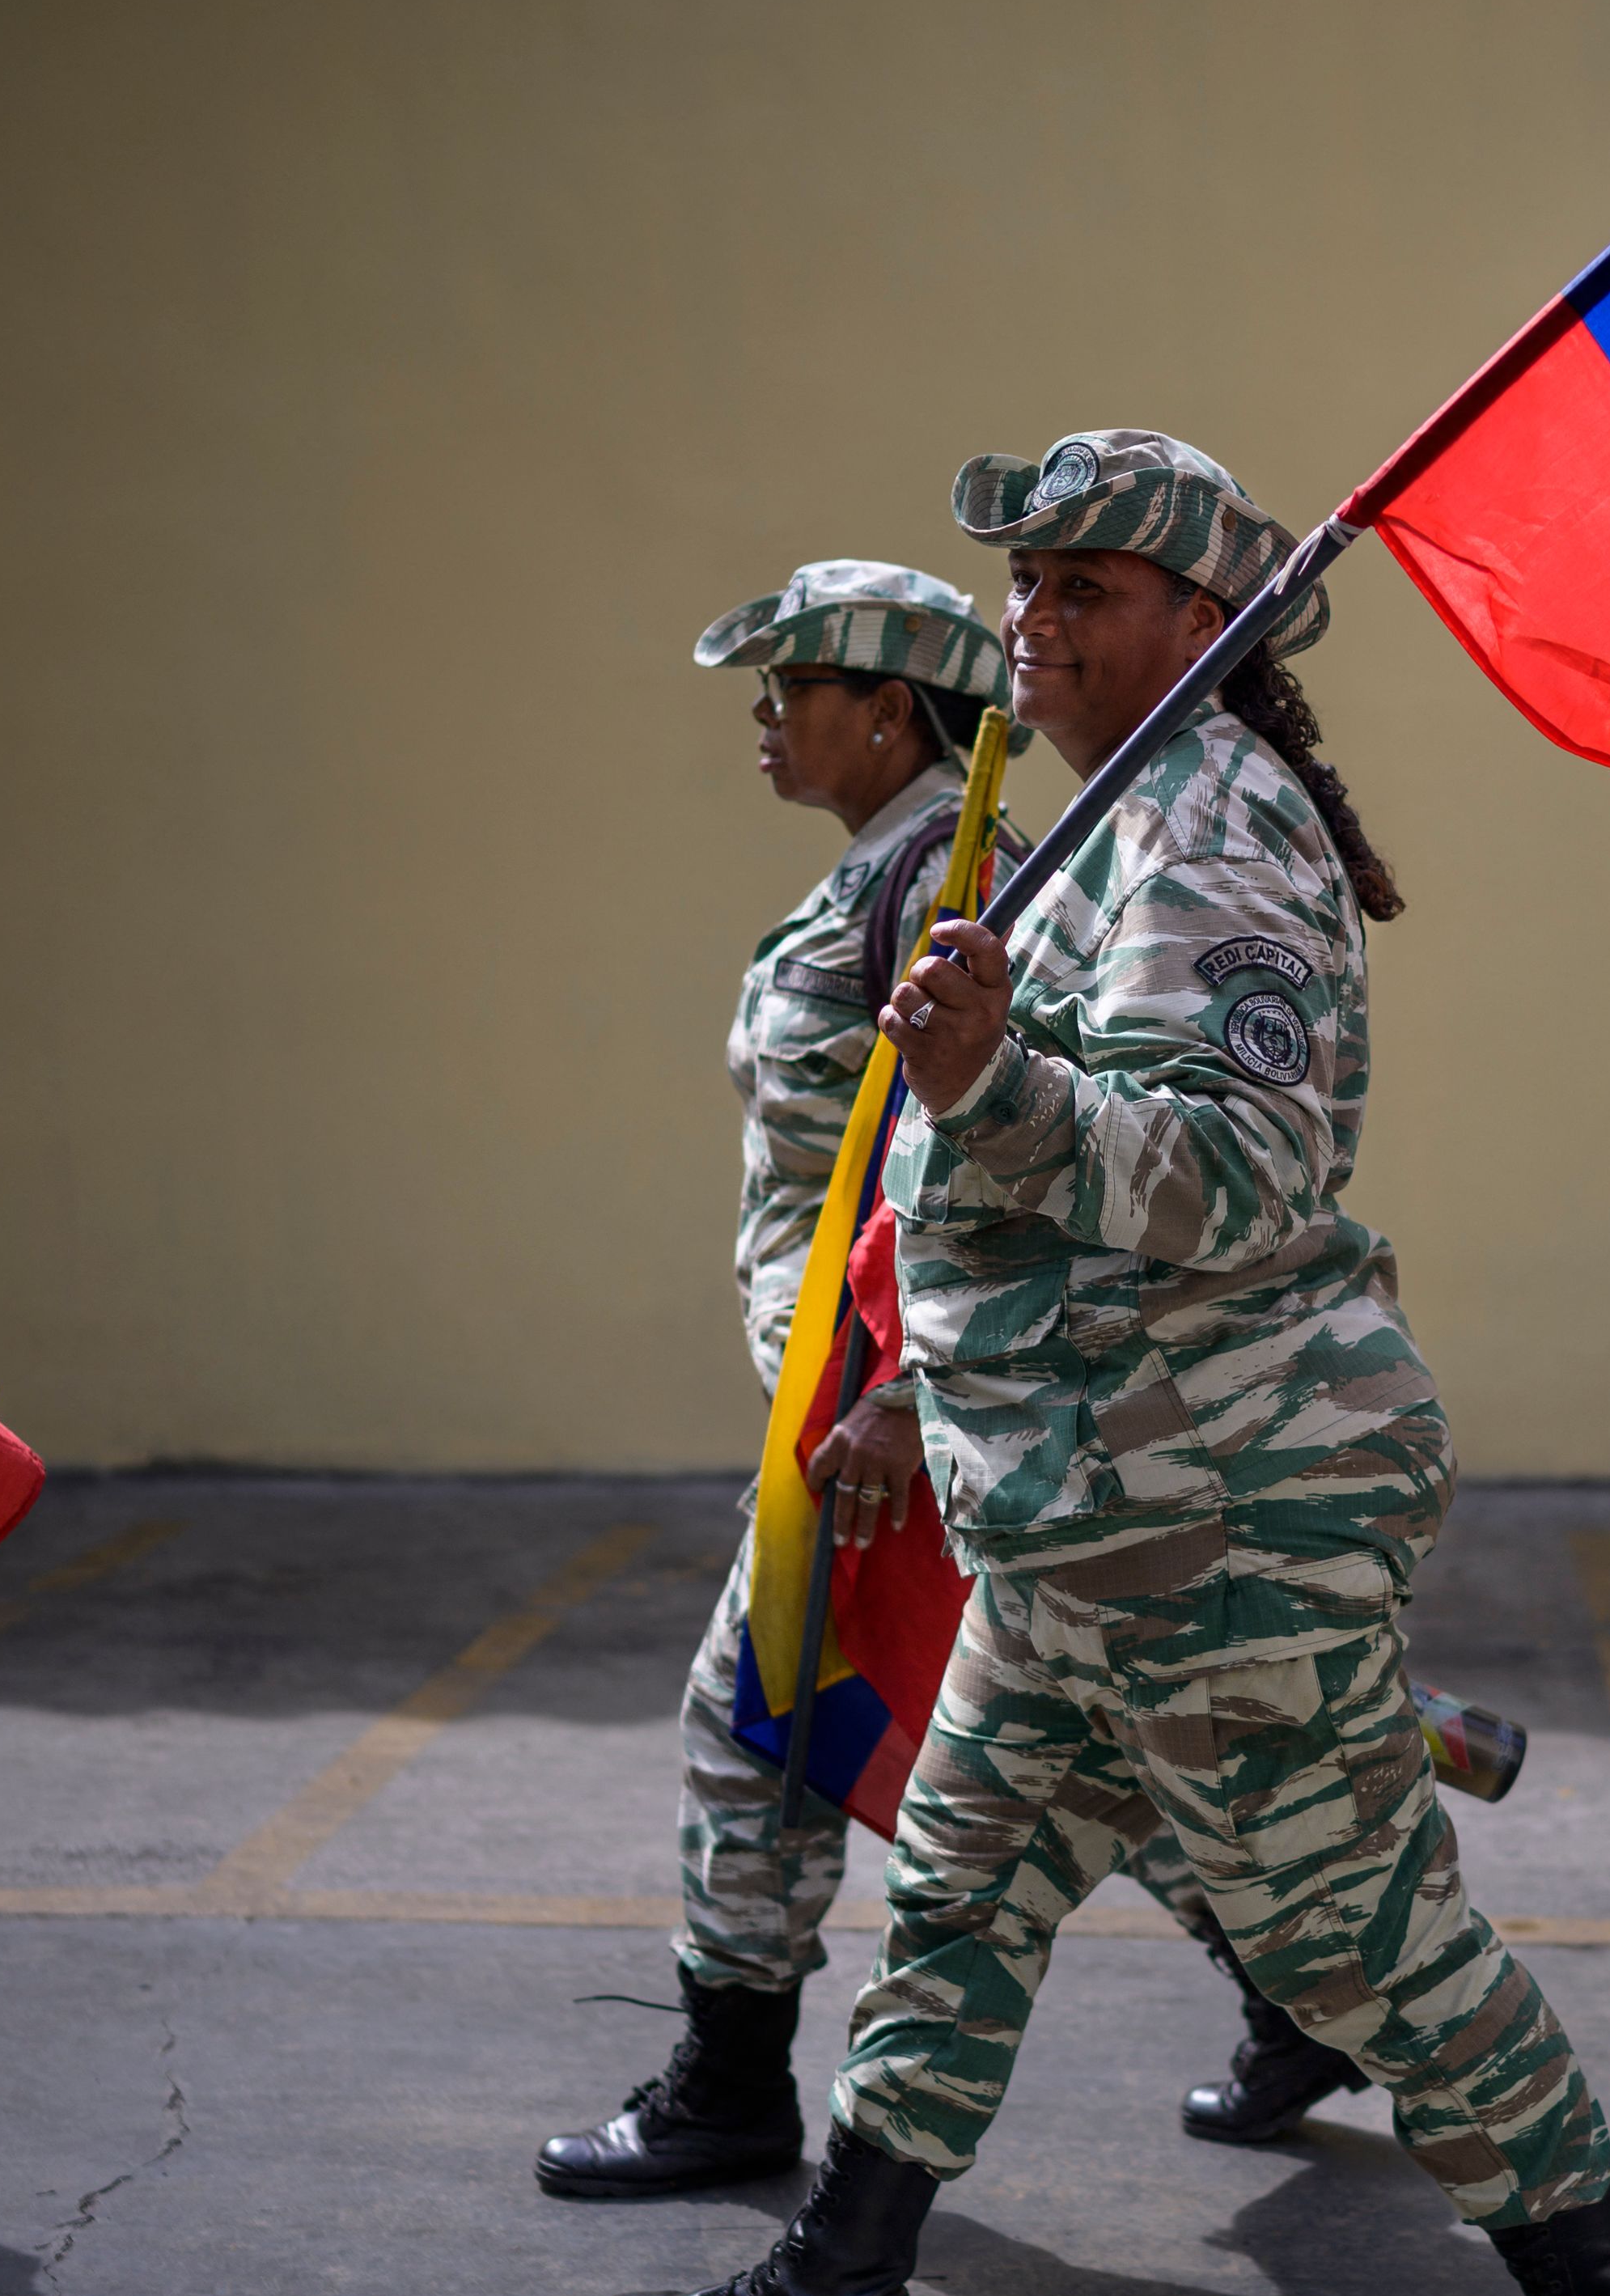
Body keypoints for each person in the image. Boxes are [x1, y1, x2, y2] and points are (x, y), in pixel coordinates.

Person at [583, 433, 1610, 2296]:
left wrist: (987, 1084)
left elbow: (1235, 1173)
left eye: (1089, 587)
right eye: (1026, 583)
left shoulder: (1216, 826)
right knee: (953, 1895)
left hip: (1221, 1496)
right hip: (1083, 1507)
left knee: (1364, 1942)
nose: (1032, 616)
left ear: (1204, 628)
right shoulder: (1092, 822)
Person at [540, 560, 1340, 2201]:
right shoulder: (894, 870)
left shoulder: (949, 876)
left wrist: (898, 1394)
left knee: (758, 1706)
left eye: (791, 690)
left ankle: (732, 2080)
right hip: (857, 1389)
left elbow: (946, 1157)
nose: (765, 721)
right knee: (1100, 1742)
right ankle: (1304, 1989)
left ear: (886, 709)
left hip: (897, 1404)